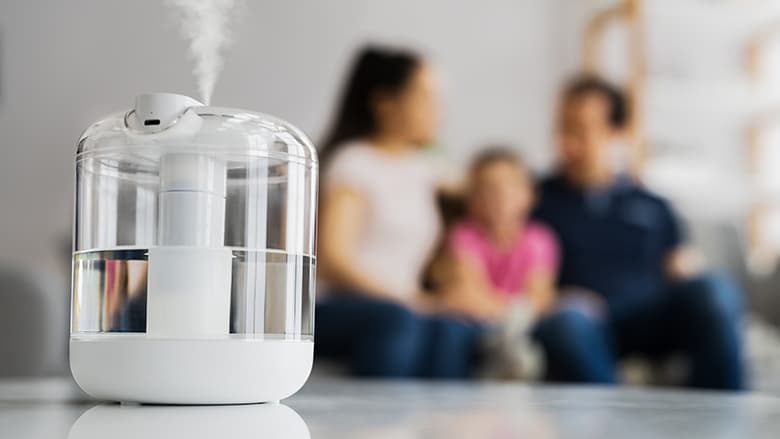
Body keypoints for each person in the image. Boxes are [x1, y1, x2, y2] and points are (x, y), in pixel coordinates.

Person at [532, 76, 745, 390]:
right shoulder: (536, 200)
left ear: (616, 133)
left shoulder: (653, 204)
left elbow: (683, 268)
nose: (568, 142)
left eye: (581, 129)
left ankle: (724, 429)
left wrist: (706, 294)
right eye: (562, 128)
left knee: (715, 288)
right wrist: (557, 299)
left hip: (651, 318)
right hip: (587, 321)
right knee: (569, 323)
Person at [314, 46, 483, 378]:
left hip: (405, 305)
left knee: (451, 327)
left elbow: (485, 190)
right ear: (385, 104)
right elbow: (333, 257)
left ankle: (443, 426)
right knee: (400, 319)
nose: (439, 111)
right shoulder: (354, 162)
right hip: (345, 306)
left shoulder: (423, 167)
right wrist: (413, 299)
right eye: (426, 97)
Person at [442, 148, 559, 322]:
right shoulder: (463, 236)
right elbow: (466, 294)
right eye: (487, 189)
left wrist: (498, 309)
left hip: (525, 326)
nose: (499, 196)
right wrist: (513, 310)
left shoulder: (540, 239)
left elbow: (539, 298)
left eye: (509, 186)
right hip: (477, 325)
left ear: (529, 194)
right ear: (471, 198)